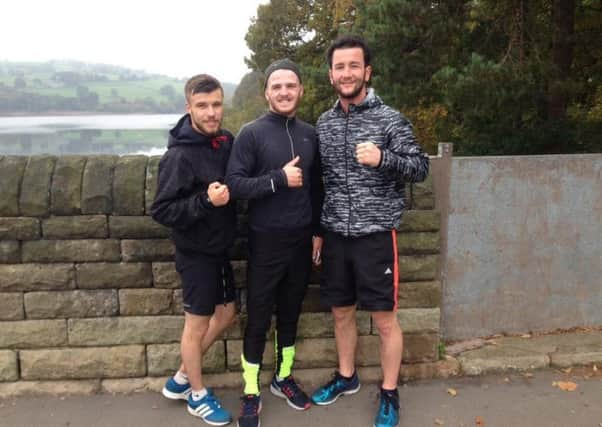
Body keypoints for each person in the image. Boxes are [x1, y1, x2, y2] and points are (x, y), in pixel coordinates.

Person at [310, 35, 430, 427]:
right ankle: (347, 377)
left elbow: (420, 167)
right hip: (335, 237)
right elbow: (319, 183)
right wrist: (317, 230)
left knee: (383, 320)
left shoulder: (390, 119)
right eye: (340, 67)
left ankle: (390, 393)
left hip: (377, 235)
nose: (347, 73)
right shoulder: (324, 124)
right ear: (331, 75)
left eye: (353, 66)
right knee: (341, 313)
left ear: (367, 71)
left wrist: (383, 158)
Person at [225, 58, 323, 427]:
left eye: (290, 85)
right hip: (265, 241)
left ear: (300, 90)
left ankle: (283, 379)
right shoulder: (250, 134)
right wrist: (277, 179)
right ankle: (251, 390)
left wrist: (318, 233)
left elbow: (316, 189)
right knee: (259, 316)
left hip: (301, 241)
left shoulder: (310, 134)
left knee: (291, 312)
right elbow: (234, 185)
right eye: (277, 86)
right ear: (266, 92)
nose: (284, 92)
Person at [151, 74, 237, 426]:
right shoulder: (179, 157)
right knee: (196, 325)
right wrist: (205, 201)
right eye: (202, 106)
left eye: (216, 104)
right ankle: (196, 395)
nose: (211, 112)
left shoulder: (226, 141)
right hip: (195, 253)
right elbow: (162, 210)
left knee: (228, 314)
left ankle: (182, 376)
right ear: (189, 108)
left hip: (220, 250)